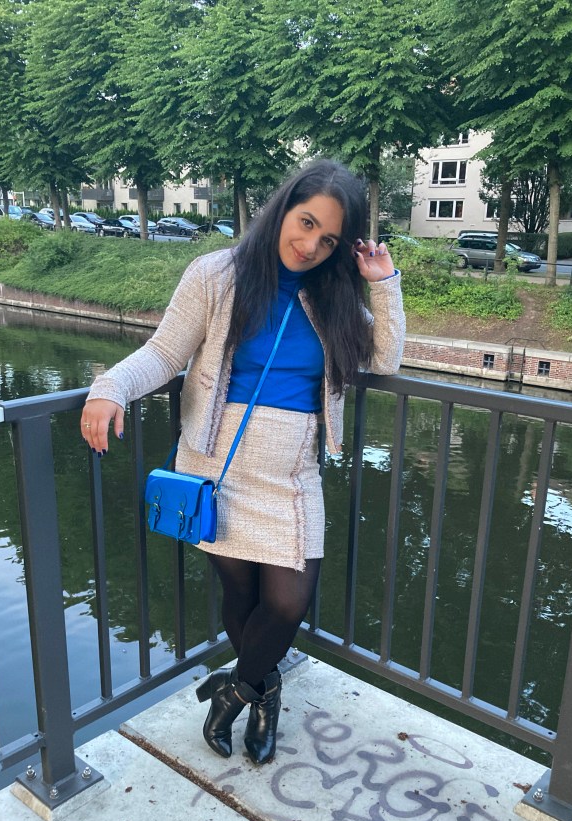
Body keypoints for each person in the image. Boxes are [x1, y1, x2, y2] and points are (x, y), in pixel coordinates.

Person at [80, 159, 406, 766]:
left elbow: (385, 358)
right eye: (305, 223)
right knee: (242, 591)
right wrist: (109, 387)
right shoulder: (216, 275)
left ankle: (233, 692)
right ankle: (266, 698)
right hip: (216, 465)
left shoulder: (333, 295)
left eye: (328, 238)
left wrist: (382, 282)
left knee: (286, 602)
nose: (310, 245)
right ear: (284, 206)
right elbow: (164, 351)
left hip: (290, 475)